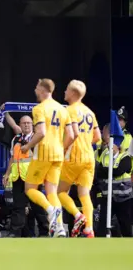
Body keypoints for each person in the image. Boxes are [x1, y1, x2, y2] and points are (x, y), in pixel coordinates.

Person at [20, 79, 73, 238]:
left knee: (29, 189)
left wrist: (27, 146)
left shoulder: (39, 108)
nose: (35, 91)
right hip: (58, 155)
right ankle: (60, 228)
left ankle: (50, 210)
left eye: (36, 88)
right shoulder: (63, 109)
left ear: (43, 90)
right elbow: (71, 135)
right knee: (52, 192)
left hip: (43, 153)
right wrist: (61, 148)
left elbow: (41, 132)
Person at [59, 80, 100, 238]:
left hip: (73, 156)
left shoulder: (69, 110)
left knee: (60, 192)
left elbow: (72, 134)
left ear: (73, 94)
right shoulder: (90, 111)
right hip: (89, 157)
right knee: (84, 194)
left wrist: (62, 148)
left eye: (67, 90)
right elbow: (96, 137)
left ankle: (78, 216)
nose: (64, 92)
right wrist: (84, 142)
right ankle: (89, 229)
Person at [2, 113, 48, 238]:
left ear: (32, 125)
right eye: (24, 123)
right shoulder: (16, 139)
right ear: (20, 125)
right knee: (18, 206)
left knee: (37, 206)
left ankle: (44, 231)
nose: (26, 125)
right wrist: (7, 174)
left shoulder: (37, 139)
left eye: (28, 123)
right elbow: (12, 157)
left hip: (33, 178)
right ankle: (15, 232)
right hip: (18, 177)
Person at [96, 134, 132, 237]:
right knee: (102, 224)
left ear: (117, 145)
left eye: (111, 143)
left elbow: (119, 171)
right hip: (107, 197)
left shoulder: (126, 157)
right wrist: (111, 171)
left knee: (125, 225)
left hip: (123, 198)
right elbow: (98, 172)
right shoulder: (104, 155)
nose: (108, 146)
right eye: (107, 143)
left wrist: (106, 171)